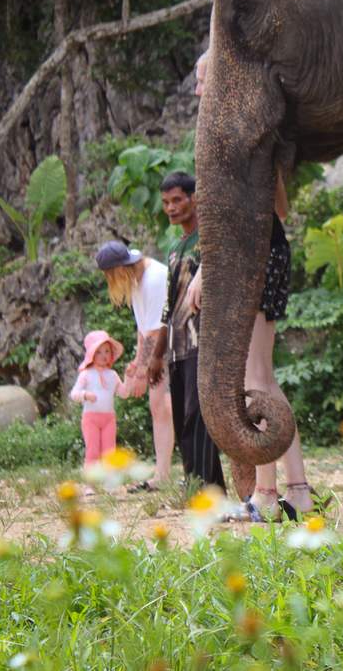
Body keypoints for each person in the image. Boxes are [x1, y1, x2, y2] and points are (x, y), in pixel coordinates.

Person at [188, 49, 315, 520]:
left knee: (253, 375)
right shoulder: (252, 128)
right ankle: (296, 489)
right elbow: (273, 208)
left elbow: (247, 213)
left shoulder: (235, 132)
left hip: (253, 255)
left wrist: (207, 268)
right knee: (262, 372)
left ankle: (266, 496)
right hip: (265, 250)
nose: (200, 89)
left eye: (204, 79)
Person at [146, 171, 226, 491]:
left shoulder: (208, 240)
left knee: (198, 416)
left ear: (194, 198)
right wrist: (156, 355)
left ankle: (210, 488)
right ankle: (195, 484)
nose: (171, 208)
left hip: (202, 340)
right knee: (181, 419)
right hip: (177, 346)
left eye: (177, 200)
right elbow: (168, 306)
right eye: (166, 202)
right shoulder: (175, 247)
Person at [94, 240, 173, 491]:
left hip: (175, 346)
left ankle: (174, 473)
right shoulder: (138, 281)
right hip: (160, 348)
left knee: (166, 406)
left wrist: (142, 372)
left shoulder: (153, 279)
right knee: (158, 407)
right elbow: (144, 331)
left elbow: (156, 330)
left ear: (119, 270)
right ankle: (162, 475)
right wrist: (138, 362)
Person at [70, 330, 124, 488]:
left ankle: (110, 483)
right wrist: (85, 395)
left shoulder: (112, 374)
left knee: (109, 450)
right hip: (91, 418)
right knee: (93, 450)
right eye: (99, 352)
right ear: (91, 354)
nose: (103, 355)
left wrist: (130, 378)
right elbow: (74, 394)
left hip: (109, 418)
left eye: (107, 351)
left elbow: (123, 392)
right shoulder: (86, 374)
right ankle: (90, 484)